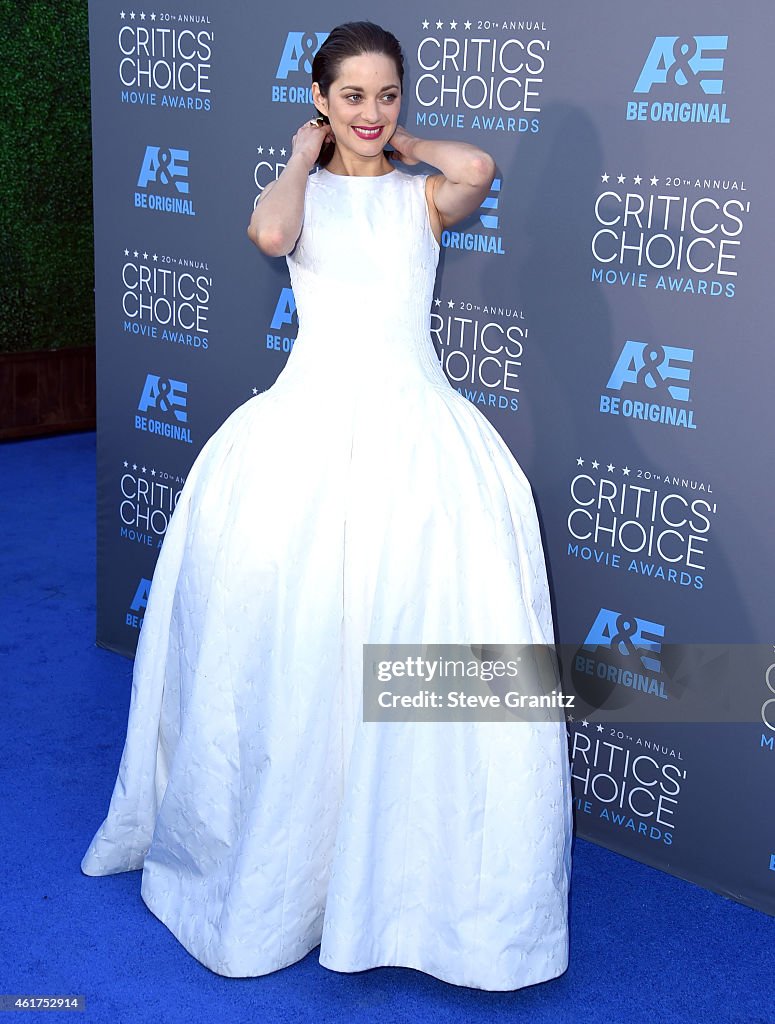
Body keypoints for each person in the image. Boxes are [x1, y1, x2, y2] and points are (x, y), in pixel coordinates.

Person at [81, 21, 573, 992]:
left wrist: (403, 145)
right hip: (306, 431)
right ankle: (290, 869)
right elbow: (270, 233)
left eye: (385, 94)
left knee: (407, 647)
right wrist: (306, 155)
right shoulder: (299, 196)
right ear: (318, 99)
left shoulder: (420, 199)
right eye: (351, 96)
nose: (370, 112)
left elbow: (476, 166)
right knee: (306, 656)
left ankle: (411, 888)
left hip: (415, 436)